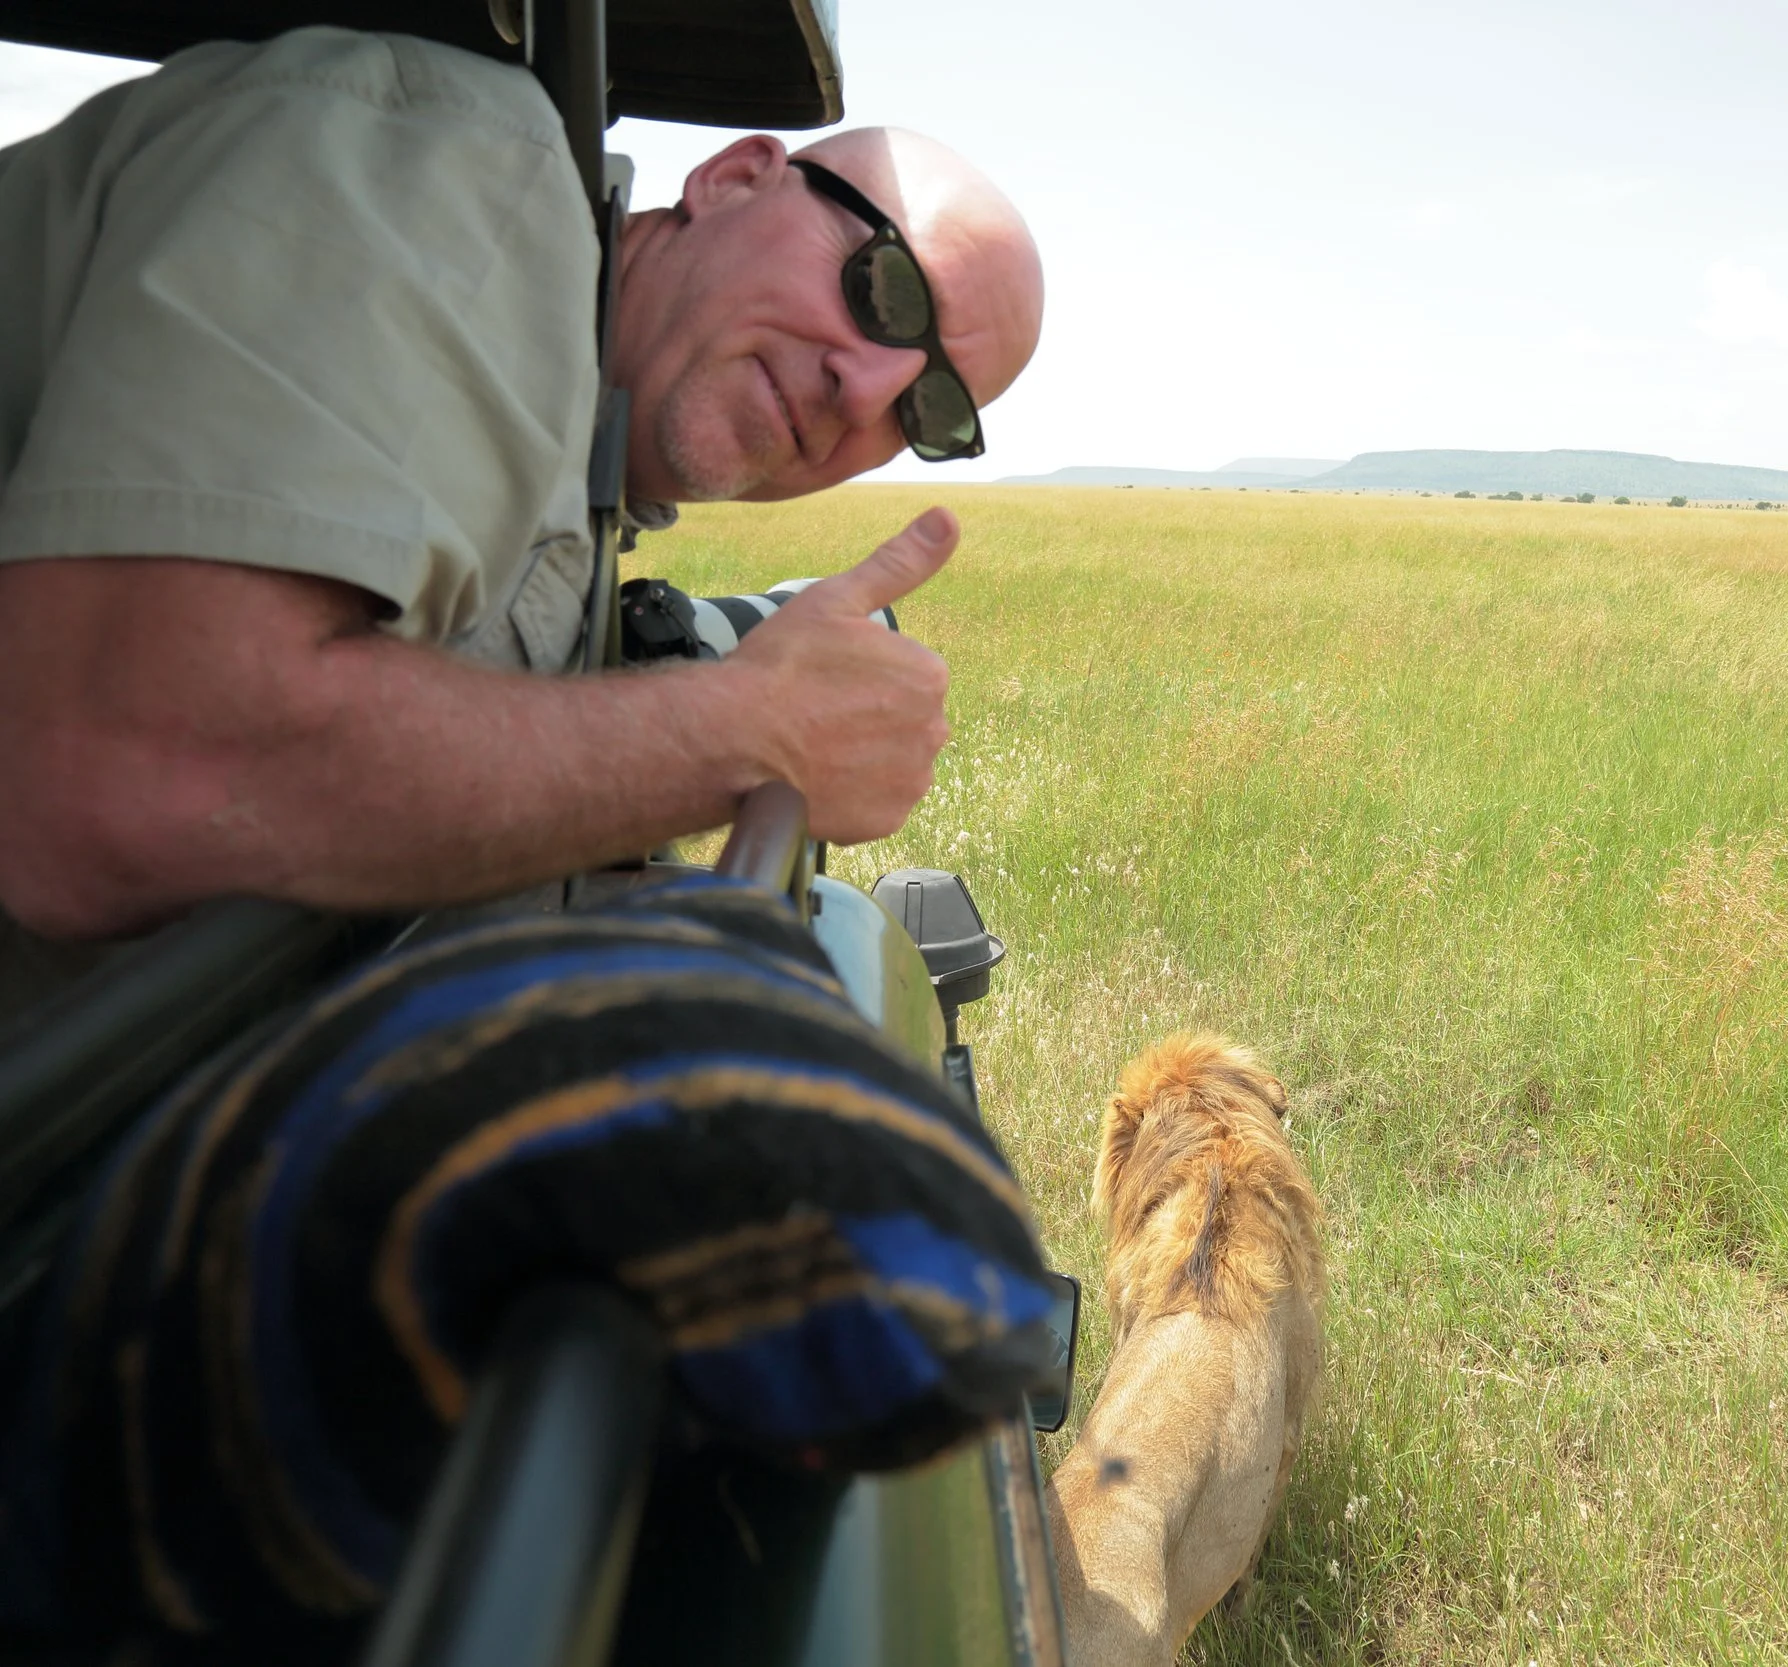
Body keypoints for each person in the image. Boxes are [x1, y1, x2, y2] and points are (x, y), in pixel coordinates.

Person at [0, 25, 1045, 1010]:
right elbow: (128, 772)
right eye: (883, 290)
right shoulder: (463, 159)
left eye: (927, 409)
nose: (862, 393)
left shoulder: (581, 440)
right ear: (730, 180)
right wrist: (744, 733)